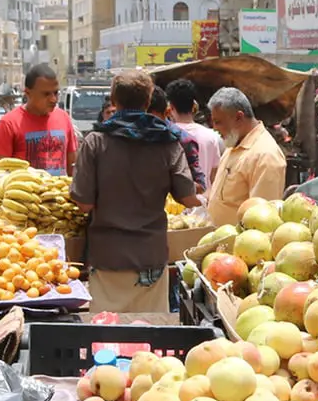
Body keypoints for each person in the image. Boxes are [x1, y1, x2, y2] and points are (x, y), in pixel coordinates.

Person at [70, 70, 199, 313]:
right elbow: (187, 198)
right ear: (149, 101)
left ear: (114, 101)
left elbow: (84, 203)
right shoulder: (168, 142)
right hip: (150, 257)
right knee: (148, 336)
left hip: (108, 257)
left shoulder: (95, 142)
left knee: (106, 337)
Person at [205, 87, 286, 226]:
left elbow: (261, 220)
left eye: (218, 122)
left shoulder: (265, 155)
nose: (214, 128)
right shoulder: (233, 145)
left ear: (238, 117)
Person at [0, 63, 77, 176]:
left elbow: (73, 166)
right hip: (23, 192)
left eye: (56, 93)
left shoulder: (64, 118)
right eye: (46, 94)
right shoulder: (8, 124)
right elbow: (0, 172)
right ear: (28, 93)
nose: (53, 99)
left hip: (59, 192)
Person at [166, 79, 224, 190]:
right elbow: (214, 176)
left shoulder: (166, 135)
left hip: (172, 205)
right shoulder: (212, 137)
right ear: (194, 105)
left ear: (171, 107)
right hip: (203, 202)